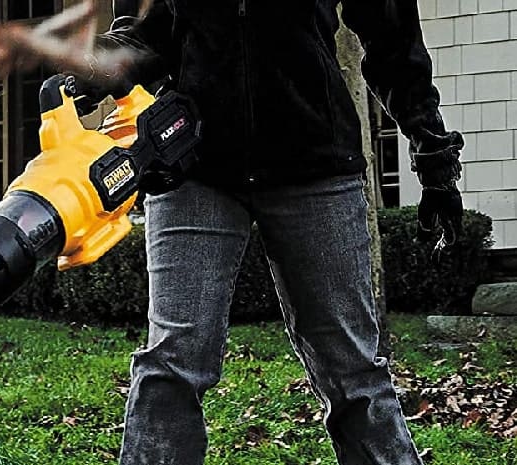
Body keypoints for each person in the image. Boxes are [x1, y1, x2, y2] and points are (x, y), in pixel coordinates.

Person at [79, 1, 465, 464]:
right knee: (173, 363)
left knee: (353, 371)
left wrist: (433, 155)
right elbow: (144, 33)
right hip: (194, 164)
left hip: (316, 162)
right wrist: (94, 66)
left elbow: (394, 40)